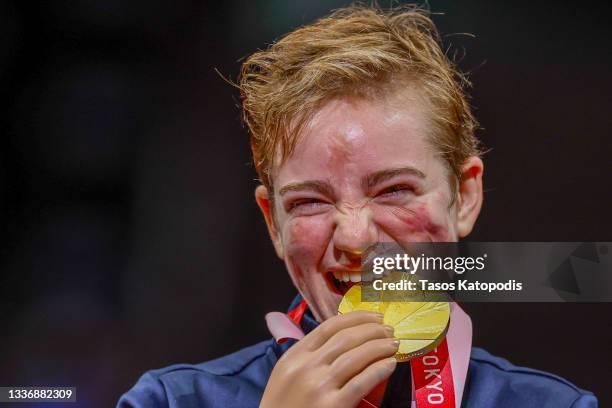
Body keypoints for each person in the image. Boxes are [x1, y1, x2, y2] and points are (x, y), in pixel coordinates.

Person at [117, 5, 597, 407]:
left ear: (465, 196)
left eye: (393, 191)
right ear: (273, 223)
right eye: (309, 201)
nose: (354, 238)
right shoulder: (169, 400)